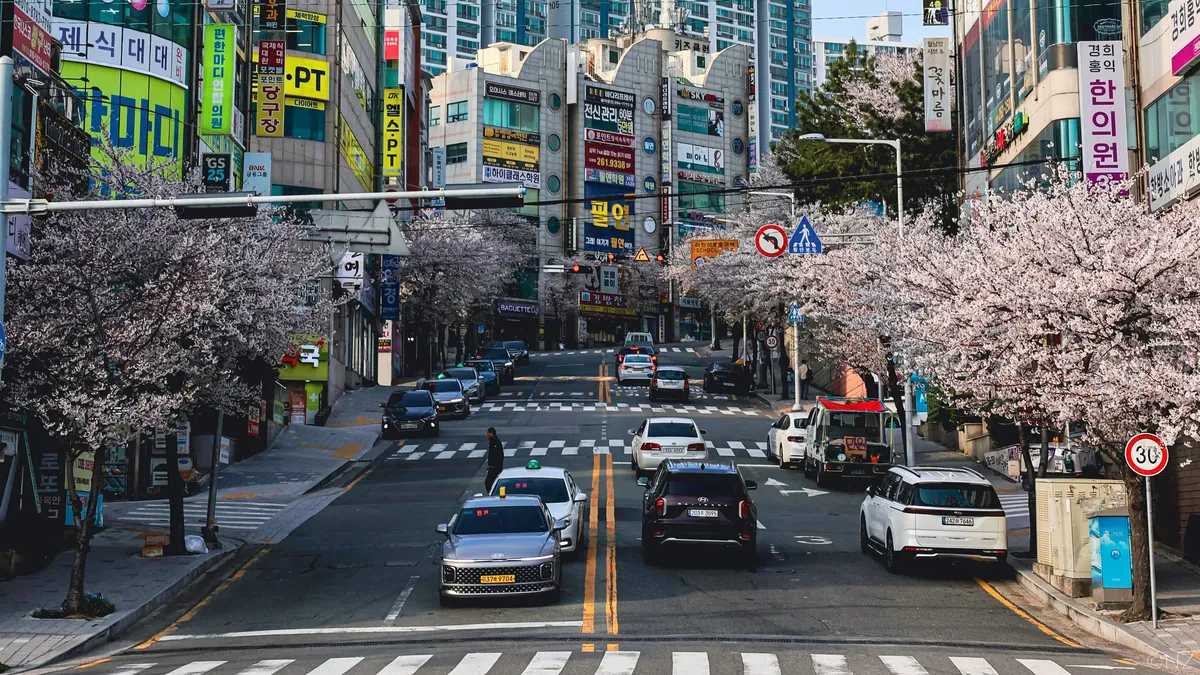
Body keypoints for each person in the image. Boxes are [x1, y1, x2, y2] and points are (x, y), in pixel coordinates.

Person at [485, 427, 504, 492]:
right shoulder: (492, 441)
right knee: (490, 482)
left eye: (488, 433)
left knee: (488, 482)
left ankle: (492, 493)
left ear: (491, 434)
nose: (487, 435)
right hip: (493, 467)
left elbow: (499, 456)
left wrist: (494, 467)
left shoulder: (495, 442)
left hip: (495, 468)